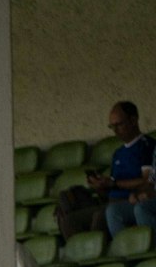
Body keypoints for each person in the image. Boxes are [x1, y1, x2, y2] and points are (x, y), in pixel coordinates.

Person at [56, 101, 155, 236]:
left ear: (133, 120)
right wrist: (100, 187)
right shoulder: (118, 153)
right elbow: (111, 190)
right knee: (69, 221)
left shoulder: (146, 146)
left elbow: (147, 181)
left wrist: (114, 184)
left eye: (119, 124)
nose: (115, 130)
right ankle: (83, 256)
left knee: (101, 216)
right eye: (112, 126)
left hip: (129, 200)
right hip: (110, 202)